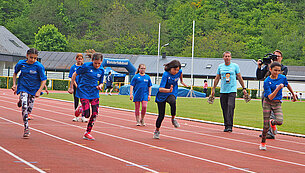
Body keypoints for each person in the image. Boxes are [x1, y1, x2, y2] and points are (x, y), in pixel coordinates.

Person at [259, 62, 297, 150]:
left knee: (280, 121)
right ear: (270, 69)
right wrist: (278, 88)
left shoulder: (282, 78)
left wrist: (293, 94)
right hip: (268, 102)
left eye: (279, 71)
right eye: (275, 70)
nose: (277, 72)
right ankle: (263, 142)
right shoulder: (267, 81)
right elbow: (270, 97)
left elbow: (287, 85)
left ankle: (272, 122)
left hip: (277, 103)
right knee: (265, 127)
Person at [11, 48, 47, 138]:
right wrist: (14, 84)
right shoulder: (21, 64)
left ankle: (23, 101)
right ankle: (26, 127)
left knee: (29, 108)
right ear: (27, 56)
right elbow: (15, 73)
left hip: (34, 89)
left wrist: (39, 91)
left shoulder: (38, 66)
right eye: (31, 57)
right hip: (23, 87)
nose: (33, 60)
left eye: (35, 58)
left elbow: (44, 79)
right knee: (24, 106)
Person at [68, 52, 104, 141]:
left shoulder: (102, 70)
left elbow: (102, 82)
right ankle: (81, 108)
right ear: (92, 61)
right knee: (87, 114)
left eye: (99, 63)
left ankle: (87, 132)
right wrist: (71, 87)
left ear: (101, 62)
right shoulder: (86, 66)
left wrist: (100, 86)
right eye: (95, 63)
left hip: (94, 93)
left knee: (95, 113)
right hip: (83, 91)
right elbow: (74, 74)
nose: (97, 65)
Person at [211, 51, 247, 132]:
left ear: (231, 57)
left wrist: (244, 88)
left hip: (232, 90)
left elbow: (240, 77)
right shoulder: (220, 67)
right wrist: (213, 88)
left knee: (230, 106)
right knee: (224, 108)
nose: (227, 58)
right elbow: (217, 78)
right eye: (226, 56)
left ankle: (230, 126)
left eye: (228, 56)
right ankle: (226, 125)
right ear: (223, 57)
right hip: (223, 90)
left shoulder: (235, 66)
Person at [257, 50, 288, 139]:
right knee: (267, 114)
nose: (276, 58)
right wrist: (259, 67)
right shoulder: (268, 66)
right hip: (267, 92)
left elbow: (282, 77)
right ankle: (267, 131)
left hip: (277, 94)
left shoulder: (283, 68)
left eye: (278, 56)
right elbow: (259, 76)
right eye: (274, 56)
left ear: (281, 58)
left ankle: (270, 132)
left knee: (274, 114)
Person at [153, 60, 188, 139]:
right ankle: (157, 130)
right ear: (170, 68)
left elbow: (180, 74)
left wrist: (182, 82)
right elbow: (160, 89)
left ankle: (173, 119)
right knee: (161, 115)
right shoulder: (166, 75)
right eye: (174, 70)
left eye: (177, 70)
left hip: (172, 92)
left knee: (173, 101)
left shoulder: (179, 72)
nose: (176, 72)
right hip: (162, 94)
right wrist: (168, 90)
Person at [69, 53, 87, 122]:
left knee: (84, 101)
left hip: (83, 86)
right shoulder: (73, 67)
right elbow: (72, 77)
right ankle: (76, 116)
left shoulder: (84, 67)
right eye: (78, 59)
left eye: (81, 59)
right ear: (76, 59)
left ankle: (83, 116)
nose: (80, 60)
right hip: (76, 86)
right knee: (76, 100)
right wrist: (75, 85)